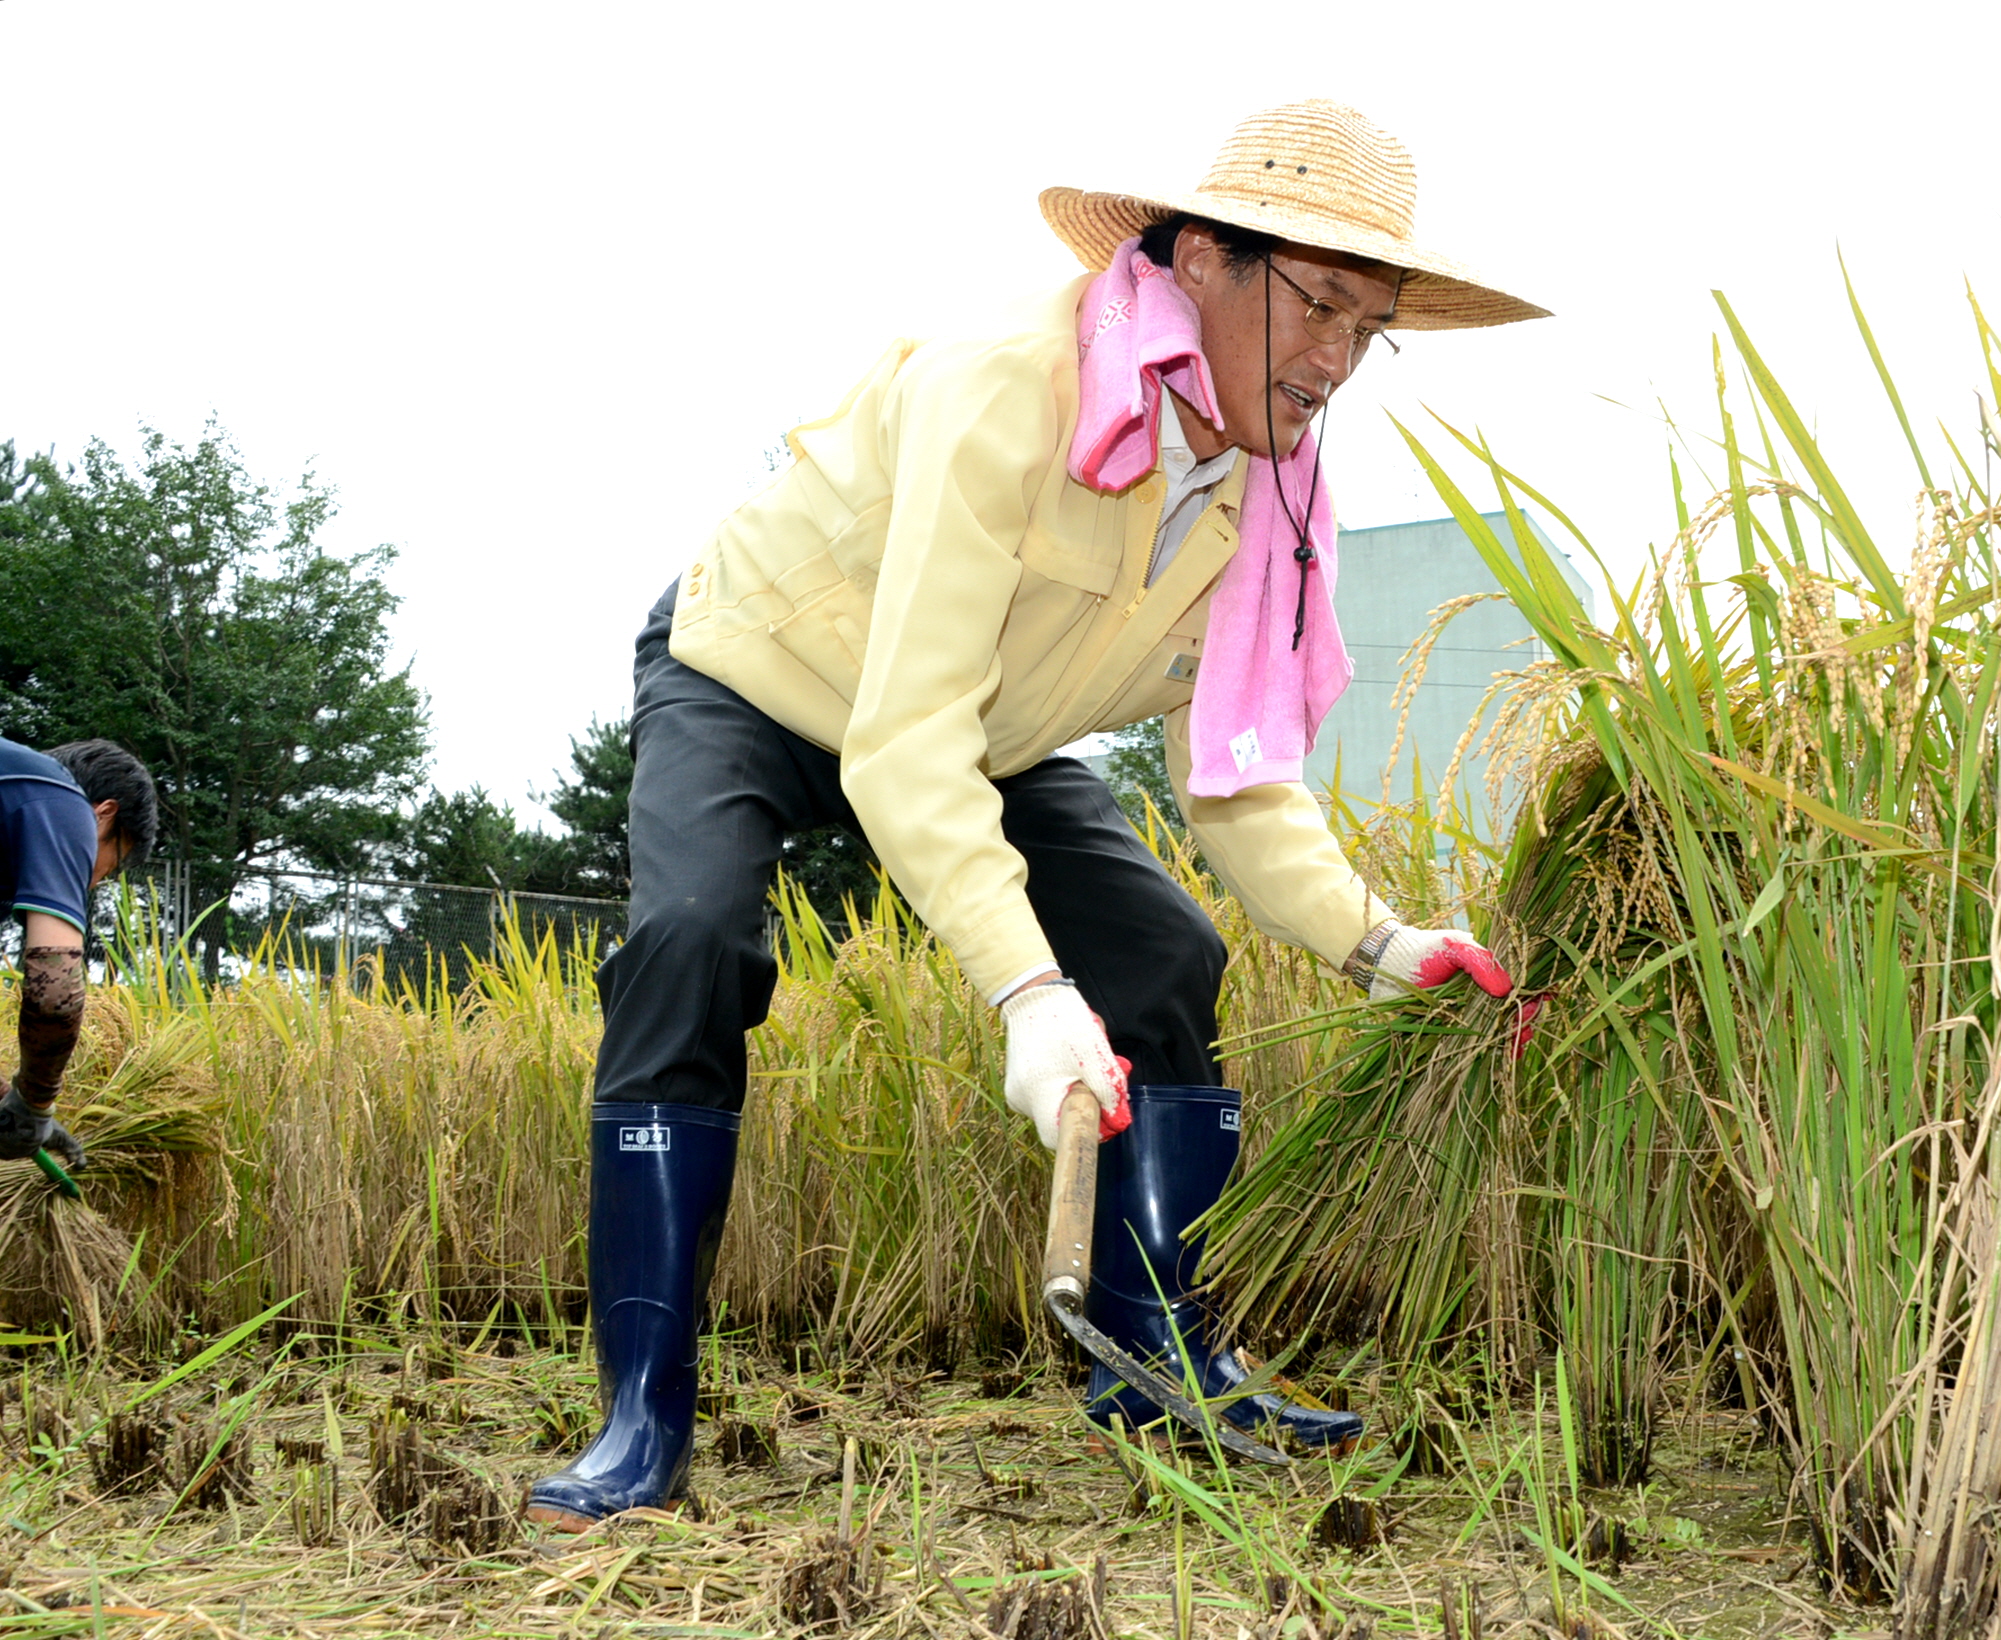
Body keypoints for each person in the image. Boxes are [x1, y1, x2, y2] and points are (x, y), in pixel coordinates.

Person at [525, 99, 1547, 1529]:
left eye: (1369, 329)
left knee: (1166, 955)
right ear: (1201, 259)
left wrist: (1380, 944)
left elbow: (1233, 771)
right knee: (692, 939)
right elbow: (902, 737)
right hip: (761, 668)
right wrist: (1027, 992)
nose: (1335, 360)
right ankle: (642, 1412)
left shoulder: (1265, 496)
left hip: (981, 725)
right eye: (1319, 304)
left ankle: (1156, 1364)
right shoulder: (1005, 388)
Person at [0, 738, 159, 1169]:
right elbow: (54, 992)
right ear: (104, 815)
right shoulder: (63, 801)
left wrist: (6, 1107)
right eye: (113, 863)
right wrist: (35, 1105)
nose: (96, 881)